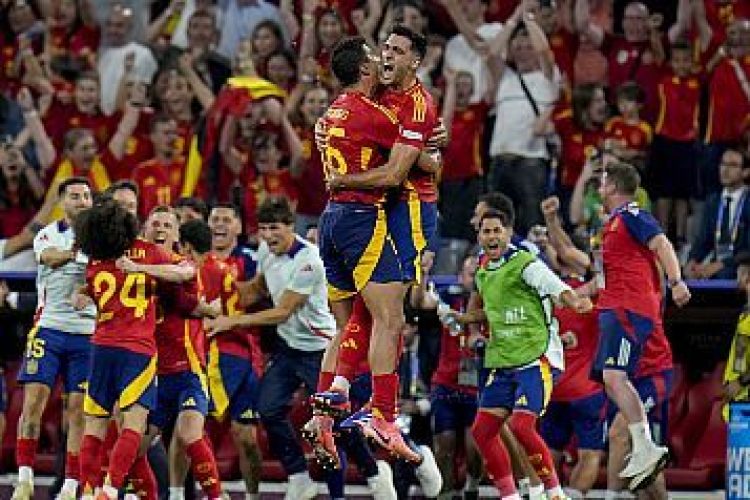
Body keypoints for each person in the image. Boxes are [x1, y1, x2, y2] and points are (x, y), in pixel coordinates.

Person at [312, 35, 437, 462]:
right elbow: (412, 165)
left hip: (331, 221)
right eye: (380, 52)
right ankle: (384, 414)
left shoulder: (331, 112)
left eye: (396, 51)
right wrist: (429, 147)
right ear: (364, 70)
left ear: (416, 61)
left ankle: (324, 413)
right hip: (365, 217)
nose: (384, 57)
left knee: (353, 324)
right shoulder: (377, 112)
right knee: (390, 316)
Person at [447, 208, 592, 500]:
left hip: (535, 359)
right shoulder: (484, 271)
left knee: (521, 425)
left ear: (509, 233)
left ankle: (554, 493)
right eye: (485, 231)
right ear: (479, 236)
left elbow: (556, 287)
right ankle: (510, 496)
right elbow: (492, 310)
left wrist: (573, 301)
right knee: (483, 431)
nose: (491, 236)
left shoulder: (526, 264)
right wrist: (464, 320)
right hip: (502, 361)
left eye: (496, 231)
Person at [206, 196, 335, 499]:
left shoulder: (309, 261)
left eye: (274, 228)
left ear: (291, 227)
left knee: (342, 422)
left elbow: (282, 311)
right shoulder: (265, 250)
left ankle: (399, 463)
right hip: (289, 349)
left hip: (319, 349)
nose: (268, 235)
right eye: (263, 228)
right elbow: (257, 289)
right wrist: (218, 279)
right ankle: (299, 477)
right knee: (268, 409)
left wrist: (230, 321)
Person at [74, 198, 194, 499]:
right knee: (133, 424)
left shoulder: (94, 261)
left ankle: (87, 490)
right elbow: (186, 273)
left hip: (101, 347)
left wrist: (84, 295)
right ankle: (111, 489)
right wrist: (143, 268)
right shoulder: (148, 252)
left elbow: (90, 292)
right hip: (137, 350)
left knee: (94, 425)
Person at [591, 161, 690, 491]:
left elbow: (661, 243)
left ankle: (646, 445)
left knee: (614, 377)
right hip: (618, 307)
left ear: (613, 186)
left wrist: (676, 281)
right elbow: (604, 277)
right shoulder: (614, 224)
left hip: (628, 309)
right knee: (611, 379)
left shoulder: (632, 214)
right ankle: (643, 446)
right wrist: (572, 296)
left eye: (602, 182)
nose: (598, 187)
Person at [11, 177, 94, 500]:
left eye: (87, 195)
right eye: (75, 196)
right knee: (33, 402)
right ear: (62, 202)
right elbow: (50, 258)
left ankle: (72, 485)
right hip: (49, 329)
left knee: (78, 412)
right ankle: (24, 479)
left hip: (86, 335)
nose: (83, 201)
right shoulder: (49, 234)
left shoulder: (102, 239)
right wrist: (80, 252)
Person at [202, 203, 263, 499]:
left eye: (227, 219)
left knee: (247, 437)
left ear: (239, 227)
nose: (220, 224)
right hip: (202, 352)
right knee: (195, 431)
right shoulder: (195, 259)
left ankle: (252, 496)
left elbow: (263, 297)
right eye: (215, 219)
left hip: (243, 353)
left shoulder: (252, 260)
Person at [686, 147, 750, 280]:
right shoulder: (713, 201)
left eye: (732, 165)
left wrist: (721, 264)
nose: (725, 170)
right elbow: (704, 240)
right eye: (723, 164)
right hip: (717, 264)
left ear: (745, 172)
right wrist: (692, 260)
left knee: (725, 274)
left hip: (741, 264)